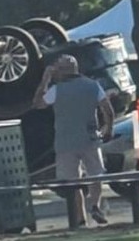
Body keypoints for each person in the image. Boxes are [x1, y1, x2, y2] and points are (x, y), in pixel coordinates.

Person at [33, 54, 115, 227]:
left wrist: (45, 79)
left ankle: (80, 217)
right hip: (90, 137)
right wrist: (108, 128)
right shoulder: (93, 86)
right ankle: (95, 205)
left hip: (65, 142)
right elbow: (108, 110)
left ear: (61, 71)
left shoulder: (57, 90)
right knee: (96, 174)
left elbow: (38, 103)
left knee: (73, 181)